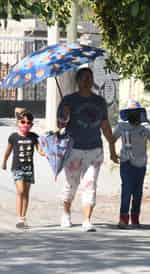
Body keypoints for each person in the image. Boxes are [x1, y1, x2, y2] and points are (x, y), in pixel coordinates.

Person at [57, 67, 113, 232]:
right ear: (78, 81)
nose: (88, 81)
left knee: (90, 184)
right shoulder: (68, 100)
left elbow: (105, 125)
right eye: (84, 78)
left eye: (90, 77)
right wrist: (64, 115)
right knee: (71, 184)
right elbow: (59, 125)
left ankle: (87, 220)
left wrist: (112, 145)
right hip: (73, 148)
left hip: (94, 149)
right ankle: (66, 214)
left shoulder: (99, 102)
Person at [109, 100, 150, 228]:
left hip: (141, 164)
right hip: (126, 162)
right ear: (127, 114)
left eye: (136, 113)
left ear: (140, 114)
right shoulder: (122, 126)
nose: (134, 115)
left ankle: (135, 217)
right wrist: (112, 154)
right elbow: (112, 140)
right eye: (130, 113)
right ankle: (123, 218)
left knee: (137, 192)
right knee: (126, 189)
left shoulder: (146, 128)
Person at [2, 110, 45, 229]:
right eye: (22, 122)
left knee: (26, 193)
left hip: (29, 168)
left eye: (28, 123)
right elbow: (8, 150)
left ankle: (22, 218)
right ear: (18, 123)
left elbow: (40, 150)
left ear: (31, 125)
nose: (25, 124)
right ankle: (18, 217)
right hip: (17, 167)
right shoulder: (13, 137)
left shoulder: (34, 137)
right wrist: (4, 161)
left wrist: (48, 152)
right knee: (20, 190)